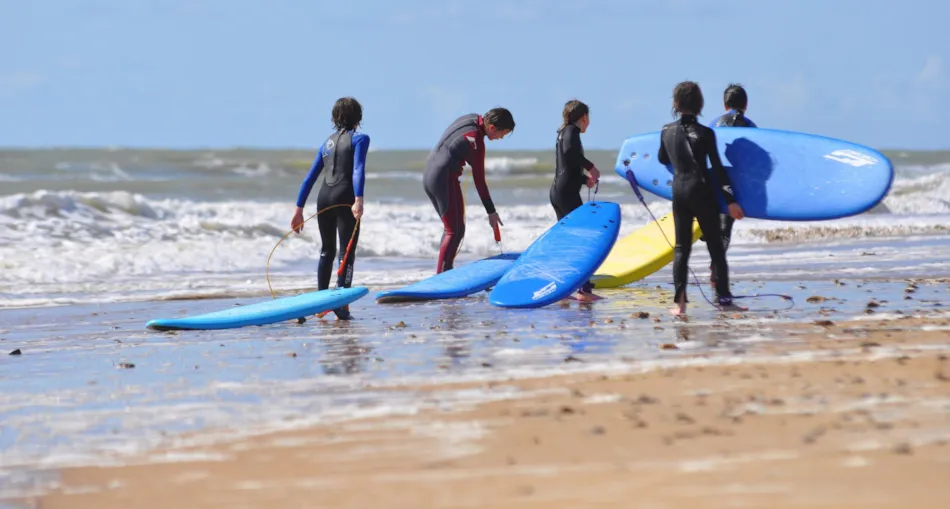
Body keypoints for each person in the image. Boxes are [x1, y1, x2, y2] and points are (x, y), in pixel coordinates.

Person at [656, 81, 746, 316]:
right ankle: (724, 299)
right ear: (700, 105)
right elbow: (717, 169)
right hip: (702, 192)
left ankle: (679, 303)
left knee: (680, 249)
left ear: (676, 104)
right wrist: (731, 200)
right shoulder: (706, 133)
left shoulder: (666, 131)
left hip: (680, 193)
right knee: (715, 247)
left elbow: (662, 158)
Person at [290, 97, 369, 320]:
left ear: (335, 118)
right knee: (347, 252)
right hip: (345, 198)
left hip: (324, 198)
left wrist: (298, 209)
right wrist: (359, 198)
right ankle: (341, 305)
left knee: (327, 250)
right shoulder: (360, 139)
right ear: (358, 117)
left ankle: (320, 303)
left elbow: (309, 178)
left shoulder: (326, 144)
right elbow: (358, 169)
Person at [423, 108, 514, 273]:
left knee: (451, 229)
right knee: (455, 231)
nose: (501, 138)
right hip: (444, 179)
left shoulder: (470, 118)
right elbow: (479, 181)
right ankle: (442, 277)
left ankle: (444, 272)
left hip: (429, 174)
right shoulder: (476, 141)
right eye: (503, 133)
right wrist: (491, 212)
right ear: (492, 128)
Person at [550, 99, 602, 302]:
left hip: (559, 191)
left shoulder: (563, 132)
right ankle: (584, 291)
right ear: (584, 118)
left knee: (567, 242)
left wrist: (583, 180)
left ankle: (564, 289)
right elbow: (570, 154)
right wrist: (591, 167)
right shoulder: (572, 131)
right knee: (582, 241)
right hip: (566, 194)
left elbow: (566, 165)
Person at [705, 84, 757, 262]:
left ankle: (706, 237)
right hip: (736, 184)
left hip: (712, 179)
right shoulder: (751, 127)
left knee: (713, 221)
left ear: (725, 104)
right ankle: (716, 265)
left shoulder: (714, 124)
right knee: (725, 225)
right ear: (746, 105)